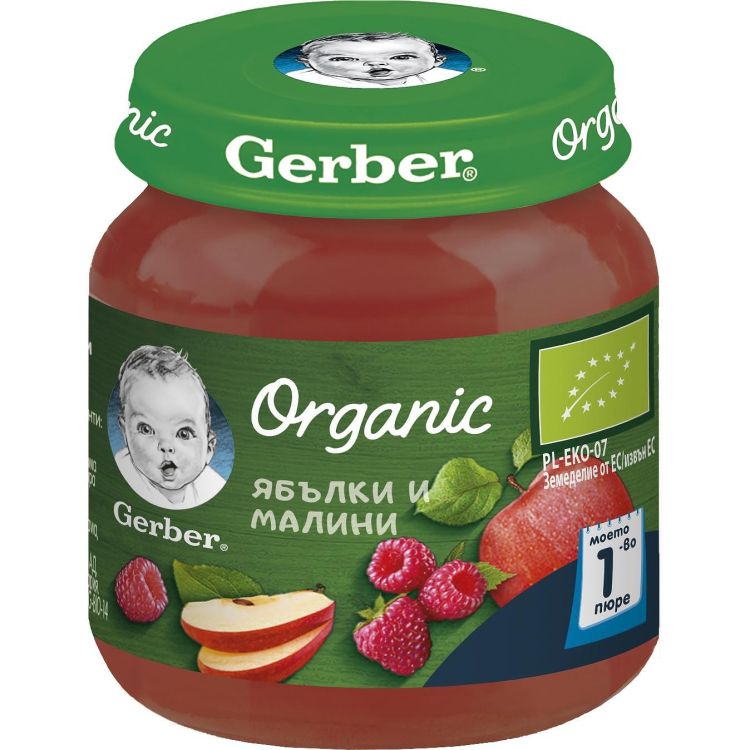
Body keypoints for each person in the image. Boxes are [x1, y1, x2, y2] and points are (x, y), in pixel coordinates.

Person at [114, 345, 225, 509]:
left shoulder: (211, 485)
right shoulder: (122, 474)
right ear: (125, 433)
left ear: (209, 449)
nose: (165, 446)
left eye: (183, 433)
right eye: (146, 429)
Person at [286, 32, 463, 88]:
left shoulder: (445, 78)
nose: (376, 64)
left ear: (437, 61)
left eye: (401, 57)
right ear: (307, 62)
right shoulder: (304, 82)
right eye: (344, 58)